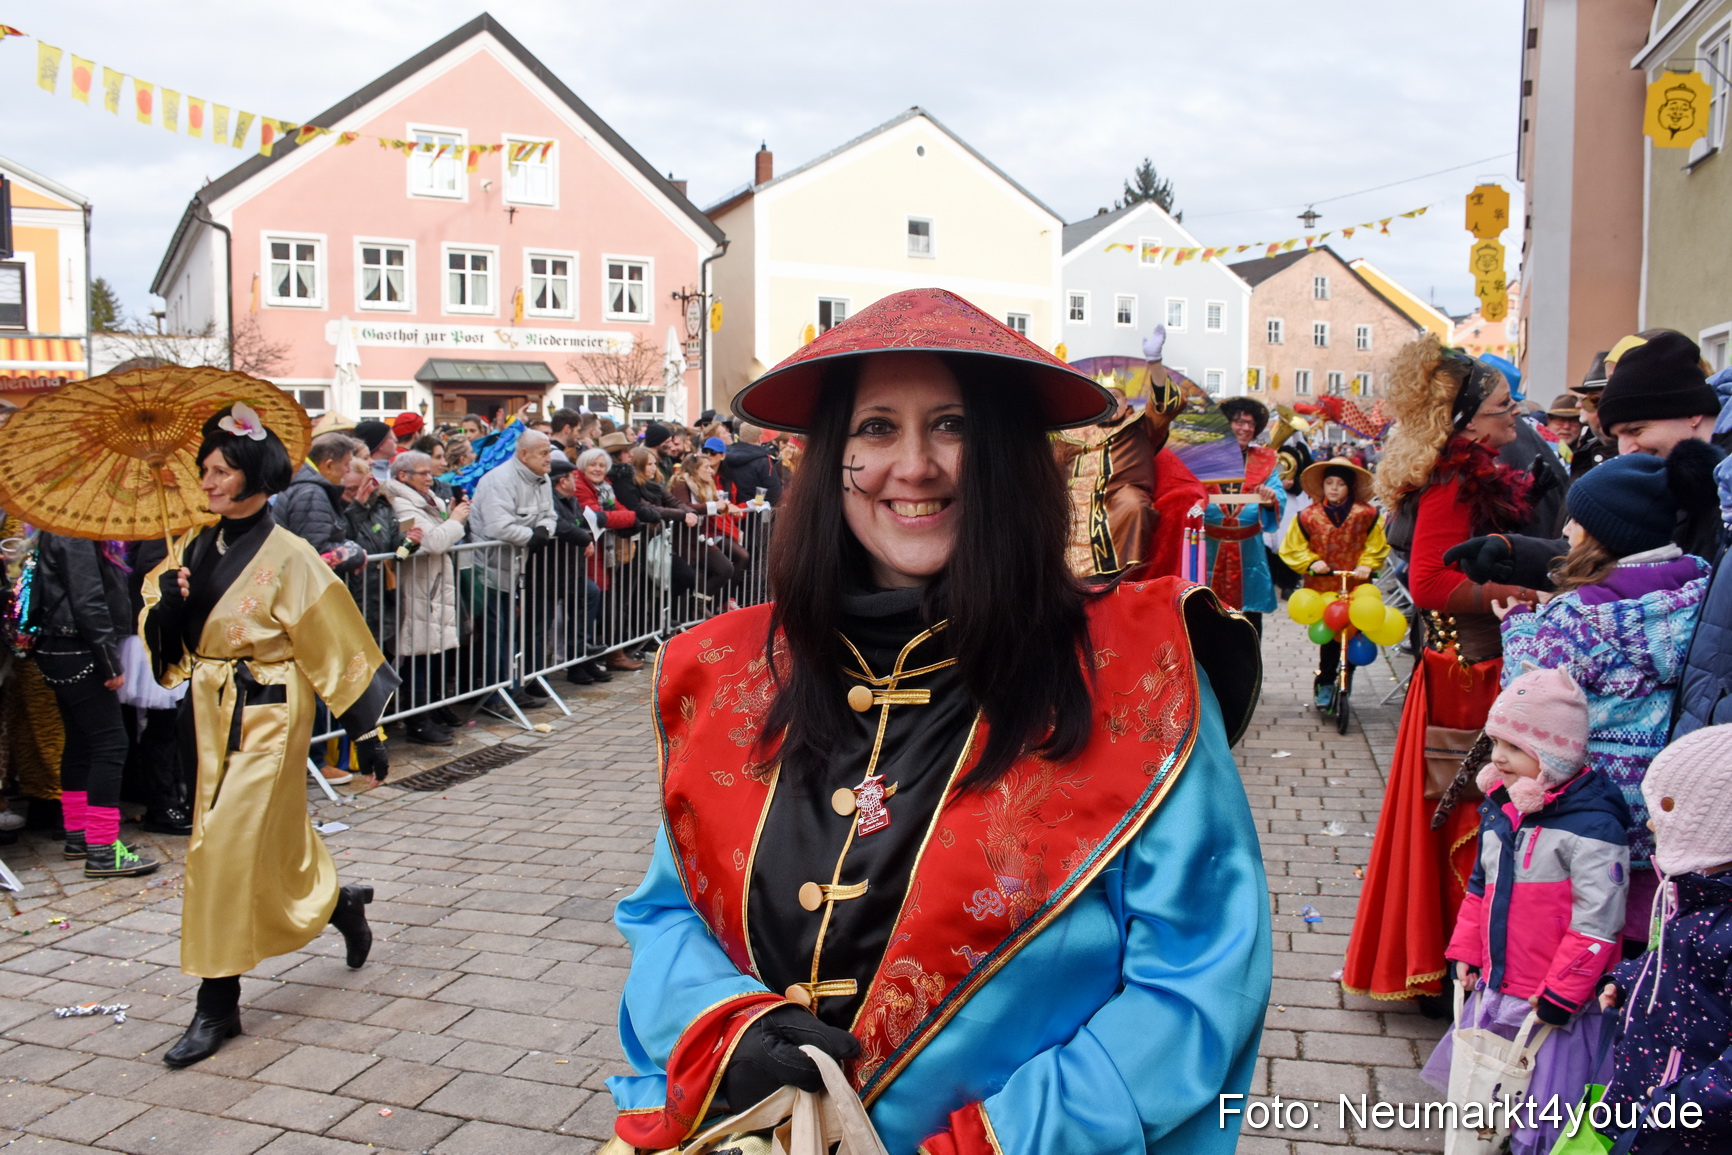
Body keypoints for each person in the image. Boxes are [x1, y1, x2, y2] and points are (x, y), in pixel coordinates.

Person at [606, 287, 1269, 1154]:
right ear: (829, 458)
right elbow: (669, 912)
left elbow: (1198, 980)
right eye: (875, 429)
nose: (913, 466)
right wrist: (722, 1032)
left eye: (951, 426)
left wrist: (997, 1141)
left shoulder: (1140, 666)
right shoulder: (727, 671)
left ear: (1008, 454)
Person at [140, 404, 396, 1067]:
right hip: (207, 709)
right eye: (205, 470)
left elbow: (333, 638)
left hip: (270, 710)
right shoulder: (191, 545)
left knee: (220, 846)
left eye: (221, 469)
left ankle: (216, 1002)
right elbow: (167, 642)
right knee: (252, 841)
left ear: (254, 472)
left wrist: (366, 728)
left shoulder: (291, 554)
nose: (209, 481)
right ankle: (339, 902)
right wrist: (168, 605)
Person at [1342, 336, 1540, 1008]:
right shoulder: (1457, 476)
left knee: (1457, 807)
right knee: (1459, 810)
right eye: (1501, 408)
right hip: (1465, 672)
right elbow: (1427, 581)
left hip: (1468, 665)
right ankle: (1447, 964)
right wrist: (1508, 595)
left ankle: (1447, 960)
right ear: (1464, 420)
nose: (1512, 418)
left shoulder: (1468, 467)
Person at [1496, 450, 1717, 952]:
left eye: (1577, 519)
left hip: (1588, 805)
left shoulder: (1576, 617)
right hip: (1661, 800)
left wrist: (1517, 626)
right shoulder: (1697, 589)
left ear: (1602, 534)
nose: (1568, 528)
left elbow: (1527, 695)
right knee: (1640, 922)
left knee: (1581, 928)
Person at [1425, 667, 1629, 1155]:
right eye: (1496, 743)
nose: (1498, 757)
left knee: (1542, 1109)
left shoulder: (1593, 828)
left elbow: (1597, 922)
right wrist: (1468, 952)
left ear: (1555, 756)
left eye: (1515, 748)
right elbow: (1481, 887)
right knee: (1489, 1093)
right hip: (1500, 985)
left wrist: (1564, 991)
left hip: (1550, 1000)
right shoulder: (1504, 808)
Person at [1595, 725, 1732, 1152]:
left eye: (1668, 809)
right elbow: (1672, 964)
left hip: (1687, 1125)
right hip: (1649, 1092)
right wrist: (1629, 977)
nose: (1652, 822)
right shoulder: (1697, 893)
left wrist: (1681, 1104)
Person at [33, 531, 161, 878]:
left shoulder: (63, 530)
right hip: (79, 649)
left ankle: (80, 836)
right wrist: (109, 661)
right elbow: (87, 600)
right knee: (110, 744)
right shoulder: (73, 535)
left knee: (80, 743)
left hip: (63, 647)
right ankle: (103, 850)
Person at [1277, 457, 1390, 707]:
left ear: (1349, 486)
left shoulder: (1367, 514)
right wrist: (1311, 562)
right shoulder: (1308, 516)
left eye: (1340, 483)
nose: (1335, 488)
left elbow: (1377, 544)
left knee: (1355, 635)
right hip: (1322, 590)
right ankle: (1326, 682)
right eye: (1330, 482)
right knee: (1328, 639)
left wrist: (1367, 564)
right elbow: (1292, 547)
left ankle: (1346, 678)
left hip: (1356, 587)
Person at [386, 450, 470, 746]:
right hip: (418, 586)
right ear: (403, 476)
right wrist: (457, 519)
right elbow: (431, 541)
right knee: (418, 653)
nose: (430, 477)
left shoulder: (426, 500)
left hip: (433, 584)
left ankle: (430, 713)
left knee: (432, 652)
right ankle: (417, 721)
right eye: (423, 473)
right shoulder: (400, 503)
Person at [468, 430, 558, 705]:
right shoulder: (499, 480)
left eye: (549, 452)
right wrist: (532, 537)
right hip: (490, 567)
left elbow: (549, 515)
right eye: (543, 453)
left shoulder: (542, 479)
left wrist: (544, 529)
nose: (549, 459)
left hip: (518, 567)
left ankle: (514, 688)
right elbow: (497, 526)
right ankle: (496, 694)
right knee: (498, 632)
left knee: (512, 631)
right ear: (524, 454)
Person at [1204, 396, 1285, 632]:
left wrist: (1270, 498)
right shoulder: (1202, 458)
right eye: (1238, 422)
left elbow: (1277, 493)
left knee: (1249, 616)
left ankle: (1251, 668)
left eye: (1250, 424)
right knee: (1206, 612)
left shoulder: (1264, 459)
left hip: (1248, 547)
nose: (1245, 428)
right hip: (1209, 546)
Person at [570, 447, 644, 672]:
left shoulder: (605, 488)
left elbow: (616, 512)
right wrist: (631, 517)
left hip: (604, 552)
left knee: (602, 602)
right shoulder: (580, 485)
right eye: (593, 464)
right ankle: (583, 660)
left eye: (602, 465)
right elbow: (596, 516)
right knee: (589, 605)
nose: (598, 469)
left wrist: (625, 517)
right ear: (583, 466)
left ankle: (598, 656)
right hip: (586, 554)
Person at [273, 432, 367, 575]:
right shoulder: (311, 493)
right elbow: (316, 551)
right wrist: (355, 553)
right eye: (346, 464)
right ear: (328, 465)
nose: (348, 470)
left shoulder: (306, 486)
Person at [548, 459, 607, 685]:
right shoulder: (552, 501)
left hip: (573, 569)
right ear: (562, 481)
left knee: (590, 594)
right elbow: (562, 525)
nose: (576, 480)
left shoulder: (571, 500)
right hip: (552, 570)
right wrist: (583, 537)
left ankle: (581, 657)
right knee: (542, 622)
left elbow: (583, 522)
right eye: (573, 477)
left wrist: (584, 535)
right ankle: (534, 676)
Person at [719, 421, 784, 507]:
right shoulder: (763, 461)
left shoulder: (725, 456)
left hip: (731, 512)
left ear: (740, 436)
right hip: (756, 513)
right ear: (760, 438)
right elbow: (775, 493)